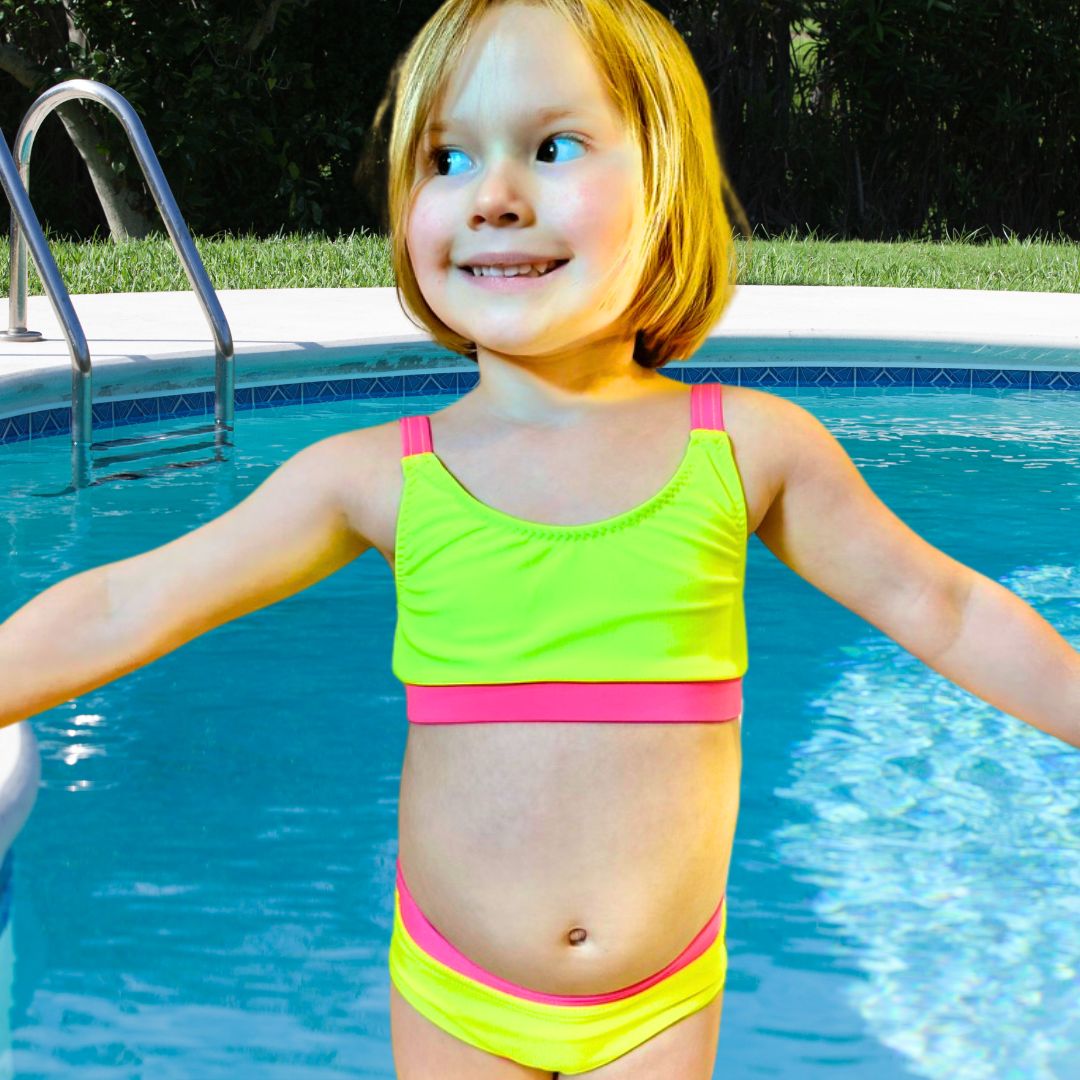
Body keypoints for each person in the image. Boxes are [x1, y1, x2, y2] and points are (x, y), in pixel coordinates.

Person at [2, 0, 1077, 1076]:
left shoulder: (748, 450)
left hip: (656, 1002)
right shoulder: (377, 476)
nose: (496, 197)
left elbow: (945, 605)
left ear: (664, 186)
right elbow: (124, 603)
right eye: (448, 157)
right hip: (457, 994)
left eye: (554, 147)